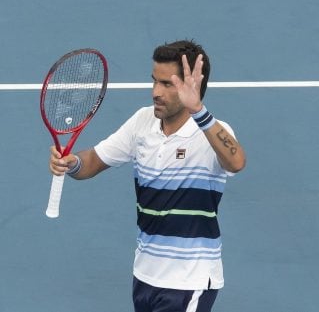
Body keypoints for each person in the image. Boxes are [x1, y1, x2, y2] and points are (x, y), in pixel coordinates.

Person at [49, 39, 246, 312]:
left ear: (193, 87)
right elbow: (92, 161)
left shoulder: (213, 131)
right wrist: (70, 164)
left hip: (190, 279)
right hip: (145, 275)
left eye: (168, 84)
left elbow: (236, 162)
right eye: (155, 81)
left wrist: (199, 112)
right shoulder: (142, 122)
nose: (156, 91)